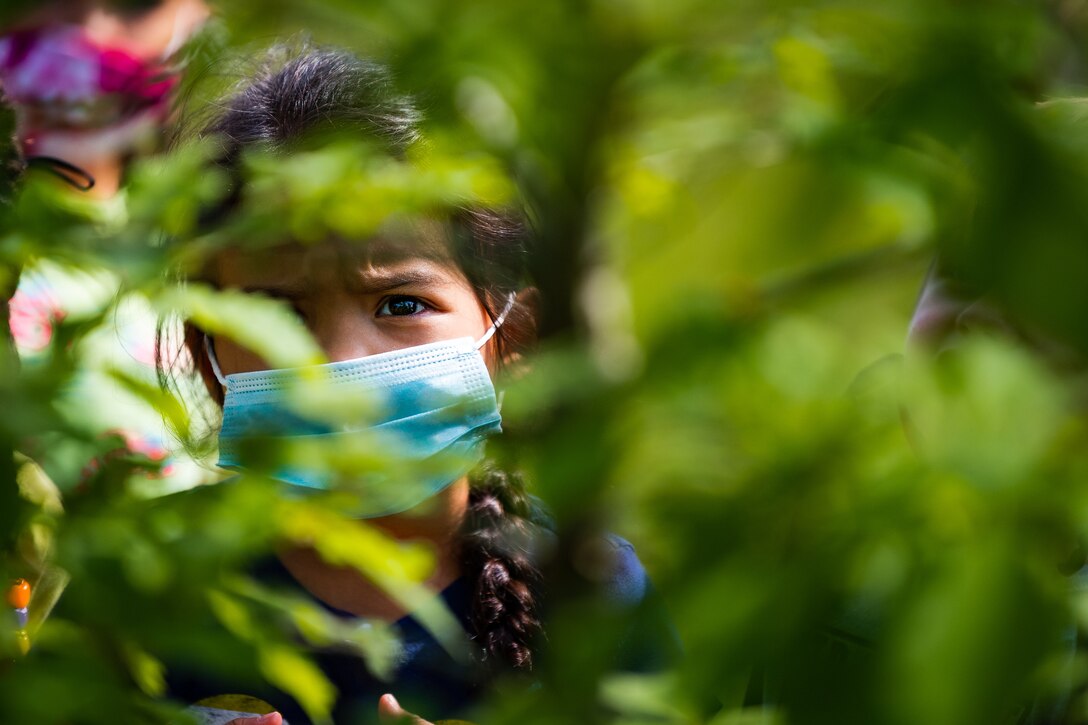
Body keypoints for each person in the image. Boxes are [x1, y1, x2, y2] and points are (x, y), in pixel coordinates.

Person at [157, 44, 677, 725]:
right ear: (209, 354)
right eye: (282, 312)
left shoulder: (594, 594)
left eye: (400, 304)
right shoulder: (146, 586)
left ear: (513, 338)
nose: (339, 363)